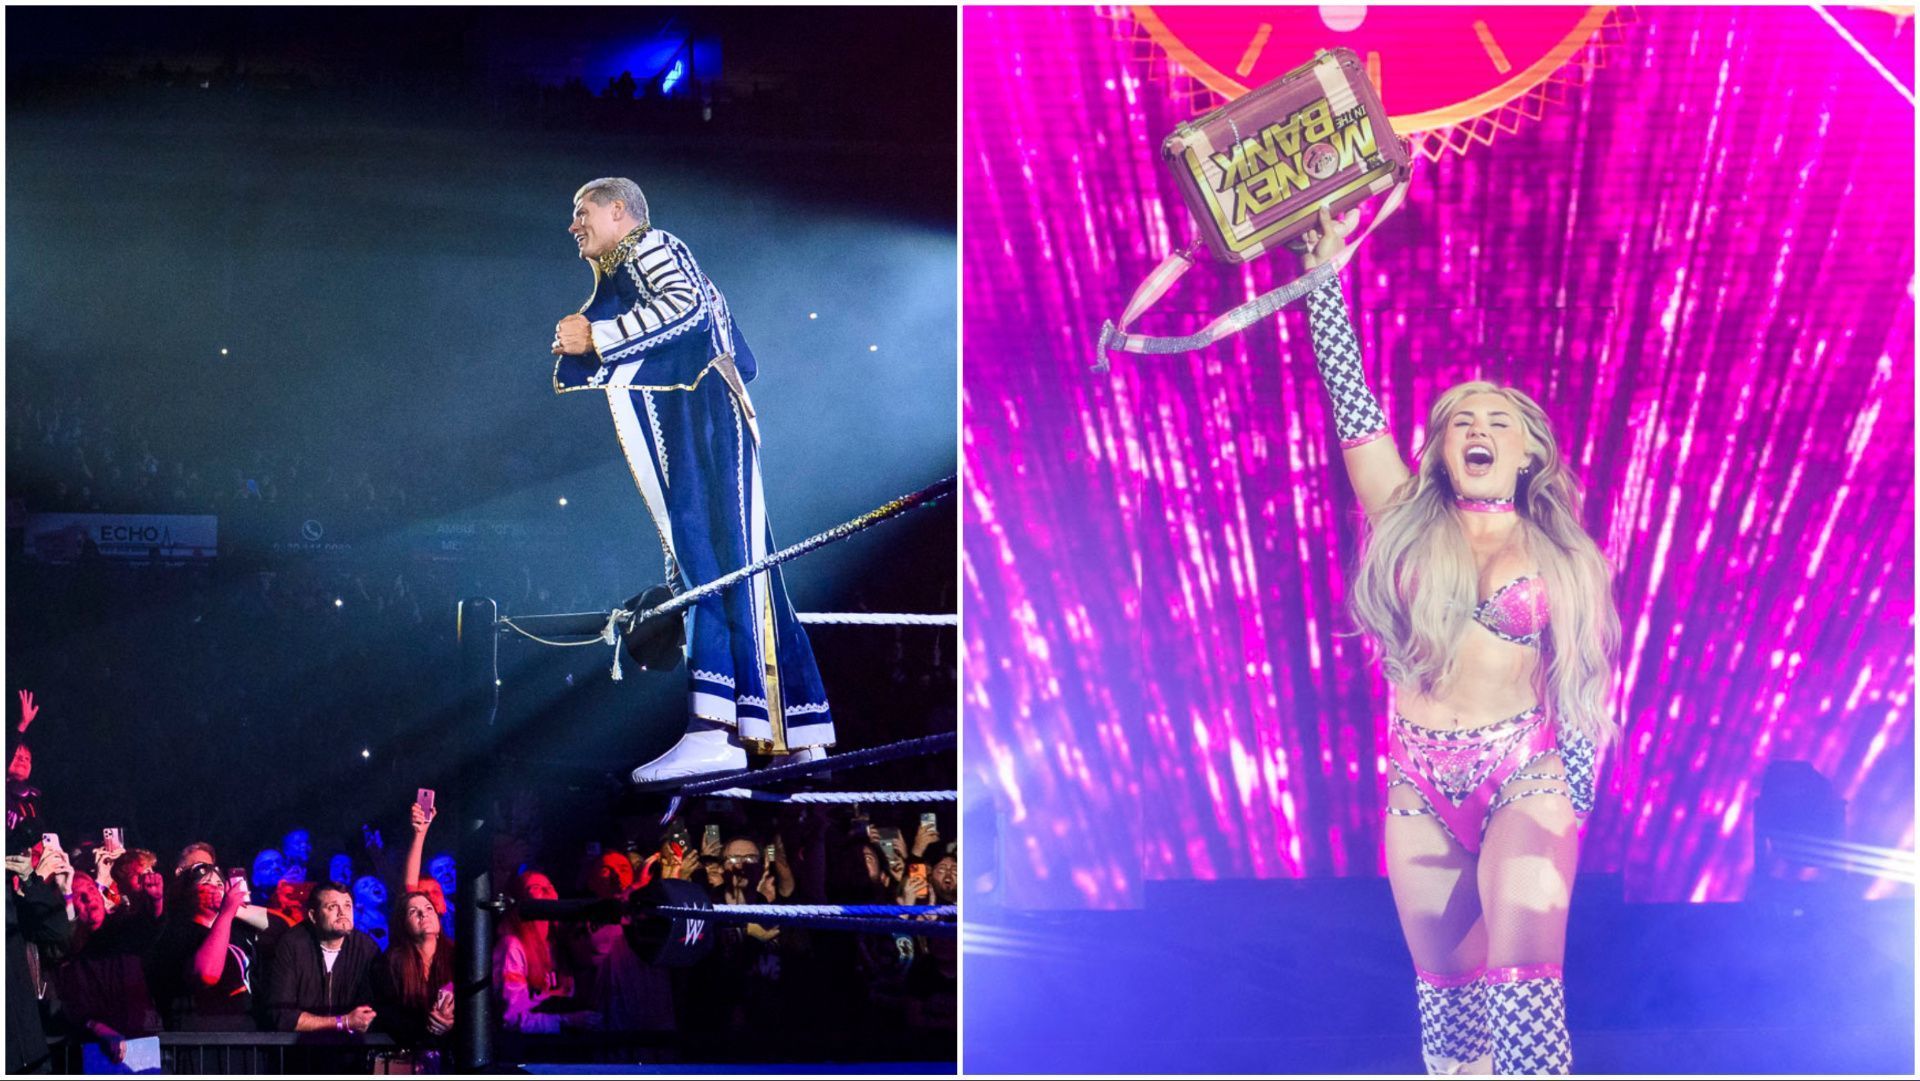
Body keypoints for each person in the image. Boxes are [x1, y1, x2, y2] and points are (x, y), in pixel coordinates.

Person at [1298, 204, 1619, 1074]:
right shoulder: (1403, 517)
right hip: (1417, 775)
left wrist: (1574, 801)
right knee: (1451, 1008)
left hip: (1527, 771)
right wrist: (1324, 283)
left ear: (1528, 455)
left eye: (1498, 421)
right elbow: (1352, 406)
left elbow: (1586, 687)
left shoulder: (1561, 554)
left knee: (1521, 985)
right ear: (1439, 448)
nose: (1477, 429)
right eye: (1460, 421)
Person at [551, 177, 833, 782]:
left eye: (583, 212)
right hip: (702, 414)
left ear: (620, 212)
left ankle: (716, 726)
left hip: (704, 416)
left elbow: (686, 308)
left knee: (708, 560)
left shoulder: (653, 244)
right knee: (737, 562)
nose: (574, 226)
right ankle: (789, 727)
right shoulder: (631, 263)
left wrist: (596, 337)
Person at [149, 862, 259, 1031]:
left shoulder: (237, 931)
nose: (216, 890)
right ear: (188, 894)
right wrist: (227, 912)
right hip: (201, 1038)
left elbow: (283, 925)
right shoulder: (178, 932)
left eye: (220, 885)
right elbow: (206, 974)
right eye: (206, 884)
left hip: (244, 1035)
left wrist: (239, 909)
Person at [263, 881, 379, 1034]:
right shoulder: (292, 944)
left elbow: (372, 1011)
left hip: (351, 1051)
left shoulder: (366, 948)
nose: (342, 913)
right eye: (332, 907)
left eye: (347, 906)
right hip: (302, 1050)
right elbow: (282, 1016)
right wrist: (343, 1022)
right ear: (313, 916)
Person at [491, 870, 598, 1033]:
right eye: (536, 887)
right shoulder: (512, 946)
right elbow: (511, 1019)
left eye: (550, 886)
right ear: (520, 900)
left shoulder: (557, 943)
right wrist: (566, 1021)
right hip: (531, 1050)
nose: (548, 891)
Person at [372, 890, 454, 1047]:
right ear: (403, 926)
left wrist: (452, 1023)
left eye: (429, 908)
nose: (423, 914)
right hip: (409, 1049)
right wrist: (429, 1024)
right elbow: (388, 1014)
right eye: (413, 912)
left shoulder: (457, 956)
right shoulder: (391, 962)